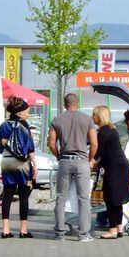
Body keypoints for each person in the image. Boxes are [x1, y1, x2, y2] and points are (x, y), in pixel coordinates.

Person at [49, 93, 97, 242]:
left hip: (65, 160)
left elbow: (51, 143)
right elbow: (94, 143)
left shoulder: (57, 120)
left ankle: (60, 233)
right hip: (82, 161)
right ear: (78, 104)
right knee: (83, 198)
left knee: (61, 198)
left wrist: (58, 156)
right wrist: (89, 159)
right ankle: (83, 234)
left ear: (65, 104)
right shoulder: (87, 119)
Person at [0, 96, 37, 239]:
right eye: (27, 111)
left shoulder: (3, 125)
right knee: (24, 195)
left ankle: (6, 230)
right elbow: (30, 147)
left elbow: (2, 146)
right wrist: (34, 165)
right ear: (19, 113)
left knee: (7, 195)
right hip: (22, 164)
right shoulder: (24, 125)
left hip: (7, 163)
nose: (28, 113)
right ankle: (23, 230)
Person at [93, 105, 129, 239]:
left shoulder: (103, 132)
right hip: (121, 165)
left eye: (94, 115)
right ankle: (119, 228)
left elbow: (99, 152)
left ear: (100, 117)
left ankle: (112, 230)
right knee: (118, 198)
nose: (92, 117)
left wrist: (91, 162)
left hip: (114, 167)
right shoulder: (112, 129)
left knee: (110, 197)